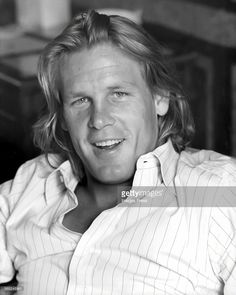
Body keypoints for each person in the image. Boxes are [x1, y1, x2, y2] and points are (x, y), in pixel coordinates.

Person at [0, 10, 236, 295]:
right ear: (62, 116)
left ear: (159, 98)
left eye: (119, 94)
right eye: (80, 100)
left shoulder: (217, 192)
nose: (99, 119)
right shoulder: (34, 185)